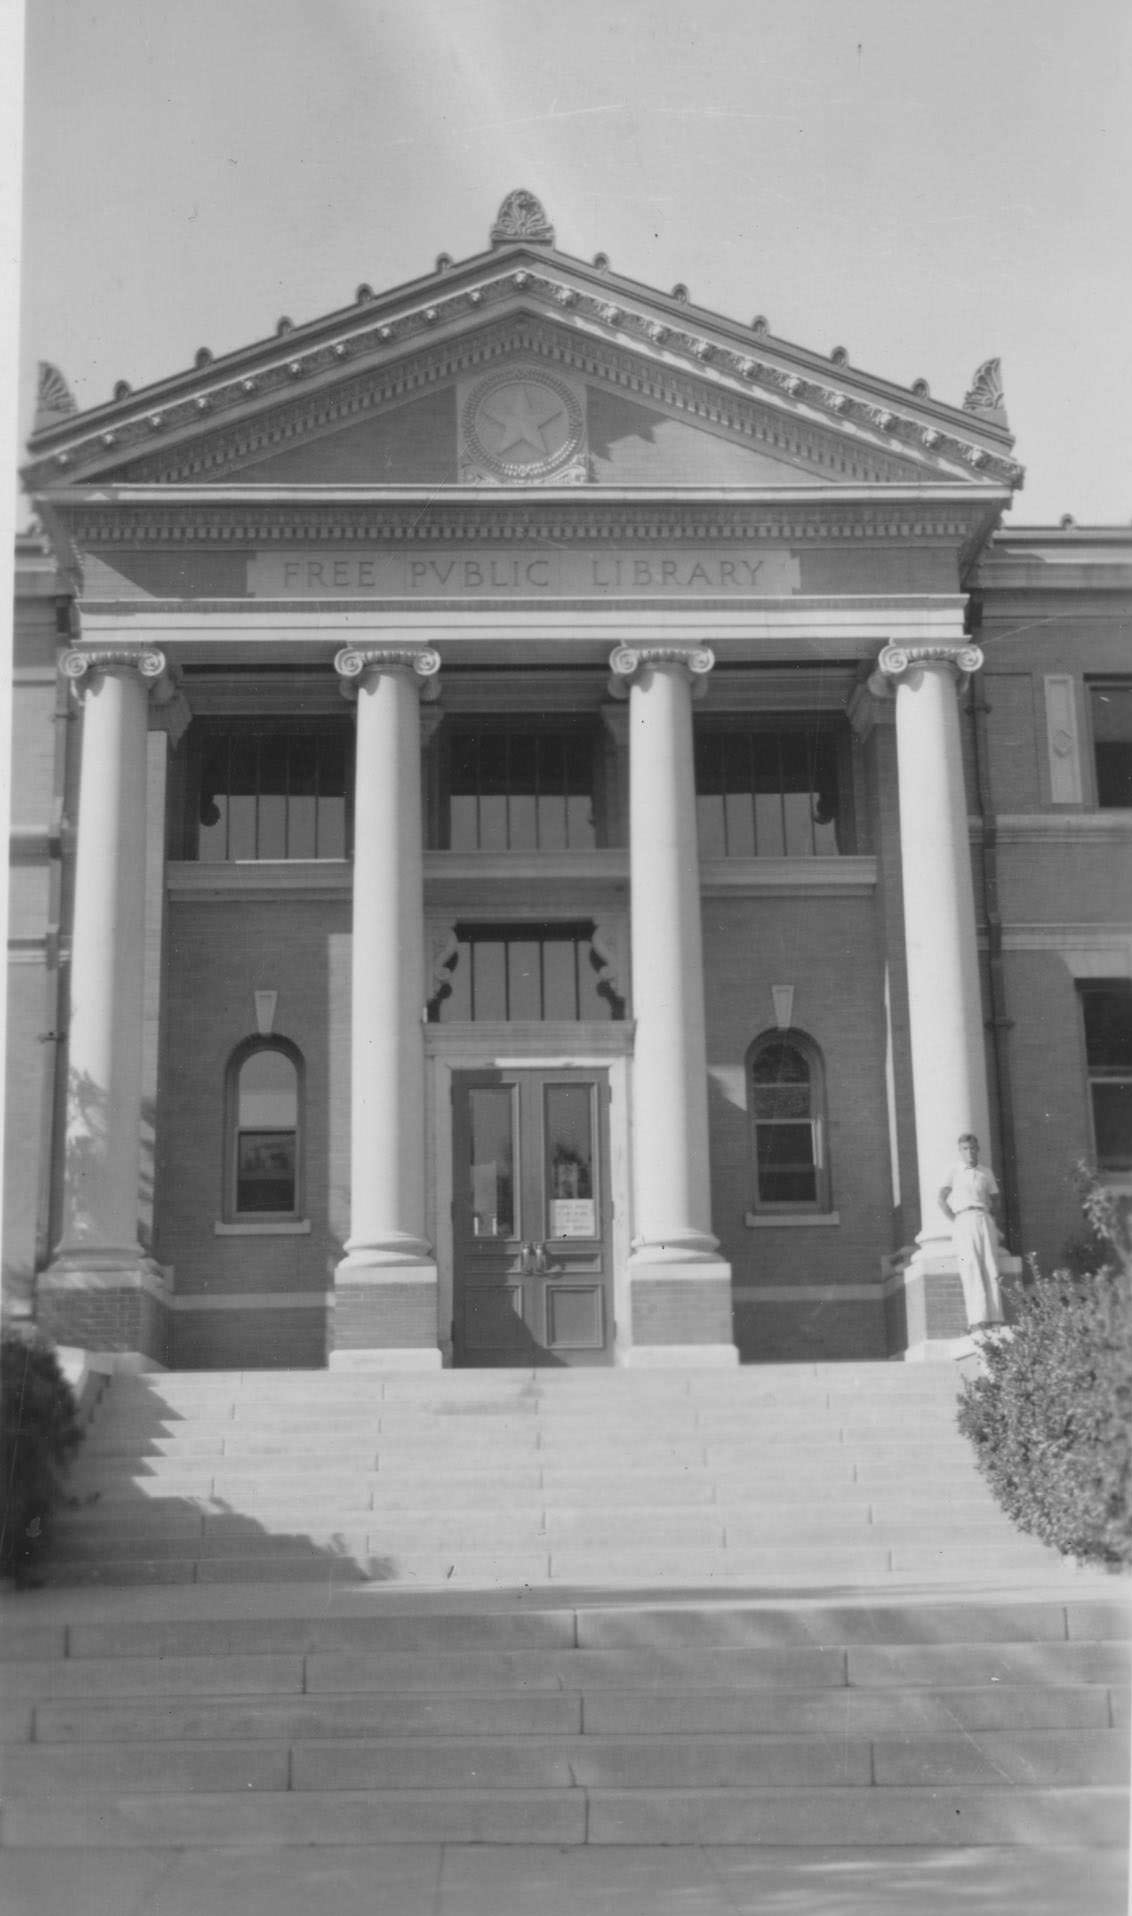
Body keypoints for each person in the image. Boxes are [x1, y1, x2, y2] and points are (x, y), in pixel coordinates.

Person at [938, 1133, 1005, 1334]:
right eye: (965, 1149)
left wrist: (990, 1218)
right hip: (963, 1219)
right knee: (971, 1268)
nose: (970, 1153)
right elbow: (941, 1199)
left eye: (973, 1148)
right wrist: (955, 1220)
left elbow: (996, 1199)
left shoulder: (986, 1172)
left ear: (978, 1149)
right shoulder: (954, 1171)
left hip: (983, 1217)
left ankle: (995, 1319)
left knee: (991, 1267)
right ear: (960, 1151)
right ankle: (977, 1320)